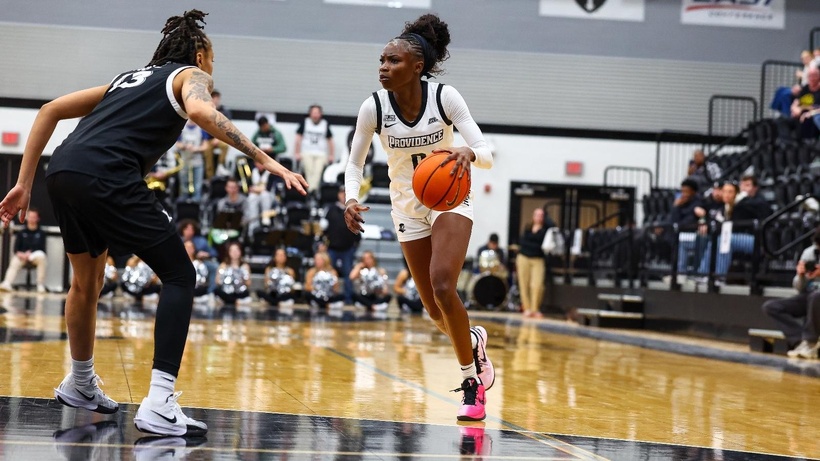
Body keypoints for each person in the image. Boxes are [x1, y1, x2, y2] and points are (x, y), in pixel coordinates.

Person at [0, 10, 307, 437]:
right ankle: (160, 403)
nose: (212, 68)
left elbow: (50, 110)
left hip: (63, 171)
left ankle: (81, 382)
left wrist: (23, 183)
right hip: (107, 173)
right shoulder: (191, 76)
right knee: (180, 274)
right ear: (199, 55)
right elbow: (201, 112)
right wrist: (265, 159)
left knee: (86, 284)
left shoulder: (127, 79)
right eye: (212, 59)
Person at [343, 14, 494, 421]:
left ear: (416, 66)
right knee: (433, 310)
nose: (383, 67)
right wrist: (350, 198)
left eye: (393, 60)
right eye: (381, 60)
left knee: (444, 285)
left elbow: (487, 153)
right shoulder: (373, 107)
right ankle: (473, 341)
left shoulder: (445, 97)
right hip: (406, 207)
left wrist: (467, 152)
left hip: (449, 198)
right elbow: (355, 163)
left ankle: (471, 385)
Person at [762, 228, 820, 359]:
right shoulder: (810, 252)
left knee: (816, 296)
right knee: (771, 307)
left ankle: (810, 342)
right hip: (809, 295)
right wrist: (800, 275)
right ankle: (801, 341)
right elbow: (799, 288)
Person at [324, 185, 361, 304]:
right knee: (329, 273)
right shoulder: (330, 209)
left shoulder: (354, 210)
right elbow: (324, 227)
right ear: (338, 194)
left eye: (346, 193)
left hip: (348, 248)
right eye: (342, 193)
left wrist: (355, 245)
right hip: (332, 247)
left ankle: (348, 298)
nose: (344, 195)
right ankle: (327, 296)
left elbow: (358, 229)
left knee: (348, 274)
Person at [516, 208, 553, 319]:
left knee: (537, 285)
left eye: (541, 215)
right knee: (524, 283)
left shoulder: (546, 230)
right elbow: (522, 242)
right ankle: (527, 308)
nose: (539, 217)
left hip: (538, 259)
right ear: (533, 216)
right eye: (537, 215)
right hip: (523, 257)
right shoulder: (528, 228)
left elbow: (543, 245)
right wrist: (534, 244)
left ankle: (535, 308)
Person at [0, 208, 48, 293]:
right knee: (15, 260)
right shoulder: (21, 232)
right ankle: (7, 283)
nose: (32, 219)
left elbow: (42, 249)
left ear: (38, 218)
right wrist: (22, 254)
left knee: (42, 258)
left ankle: (40, 285)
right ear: (27, 218)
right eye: (30, 217)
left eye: (34, 217)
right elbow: (16, 249)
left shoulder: (41, 233)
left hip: (35, 257)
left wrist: (31, 254)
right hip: (22, 257)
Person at [295, 105, 334, 193]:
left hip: (321, 153)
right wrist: (297, 152)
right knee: (309, 170)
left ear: (320, 114)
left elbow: (330, 140)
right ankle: (311, 190)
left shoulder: (325, 124)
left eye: (317, 113)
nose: (315, 115)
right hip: (307, 152)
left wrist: (331, 155)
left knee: (318, 171)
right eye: (313, 113)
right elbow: (298, 138)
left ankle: (311, 190)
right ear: (310, 113)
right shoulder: (305, 122)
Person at [175, 119, 208, 201]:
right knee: (184, 182)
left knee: (198, 183)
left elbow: (205, 146)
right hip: (184, 160)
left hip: (197, 160)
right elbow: (177, 143)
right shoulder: (182, 128)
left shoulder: (201, 129)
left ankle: (196, 201)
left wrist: (196, 149)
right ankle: (184, 201)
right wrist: (185, 146)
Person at [214, 242, 251, 307]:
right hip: (226, 292)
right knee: (216, 291)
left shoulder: (245, 266)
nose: (234, 253)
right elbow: (217, 282)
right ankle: (233, 301)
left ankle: (231, 301)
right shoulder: (223, 265)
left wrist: (241, 278)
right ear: (228, 252)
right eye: (232, 251)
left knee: (246, 294)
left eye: (237, 250)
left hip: (239, 293)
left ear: (240, 252)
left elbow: (248, 283)